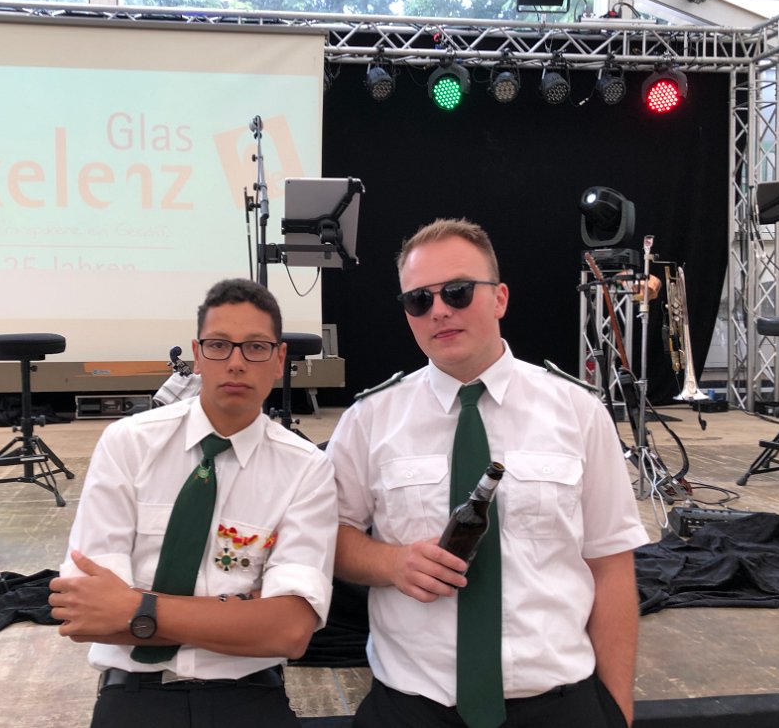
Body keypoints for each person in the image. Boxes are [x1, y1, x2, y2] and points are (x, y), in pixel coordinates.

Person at [326, 218, 649, 728]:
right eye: (419, 300)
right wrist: (392, 563)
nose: (439, 310)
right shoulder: (369, 420)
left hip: (556, 703)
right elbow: (330, 537)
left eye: (457, 291)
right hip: (414, 706)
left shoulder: (577, 412)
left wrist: (616, 712)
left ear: (499, 298)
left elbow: (610, 565)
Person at [49, 278, 338, 728]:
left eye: (256, 347)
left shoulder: (306, 469)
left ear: (280, 359)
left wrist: (134, 608)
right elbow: (86, 616)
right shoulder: (128, 444)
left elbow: (288, 631)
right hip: (135, 693)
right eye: (219, 345)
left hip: (249, 695)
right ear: (197, 355)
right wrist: (240, 608)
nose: (236, 363)